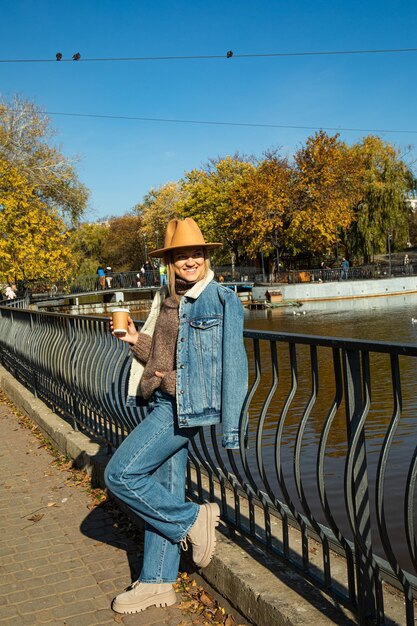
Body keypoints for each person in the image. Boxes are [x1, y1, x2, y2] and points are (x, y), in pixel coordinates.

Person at [104, 217, 248, 615]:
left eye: (196, 254)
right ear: (170, 262)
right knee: (162, 492)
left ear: (206, 257)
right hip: (162, 402)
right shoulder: (169, 300)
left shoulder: (221, 299)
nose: (191, 261)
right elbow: (165, 358)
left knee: (120, 475)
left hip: (184, 408)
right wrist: (136, 340)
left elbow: (234, 366)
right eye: (182, 255)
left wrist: (231, 430)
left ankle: (191, 520)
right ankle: (157, 581)